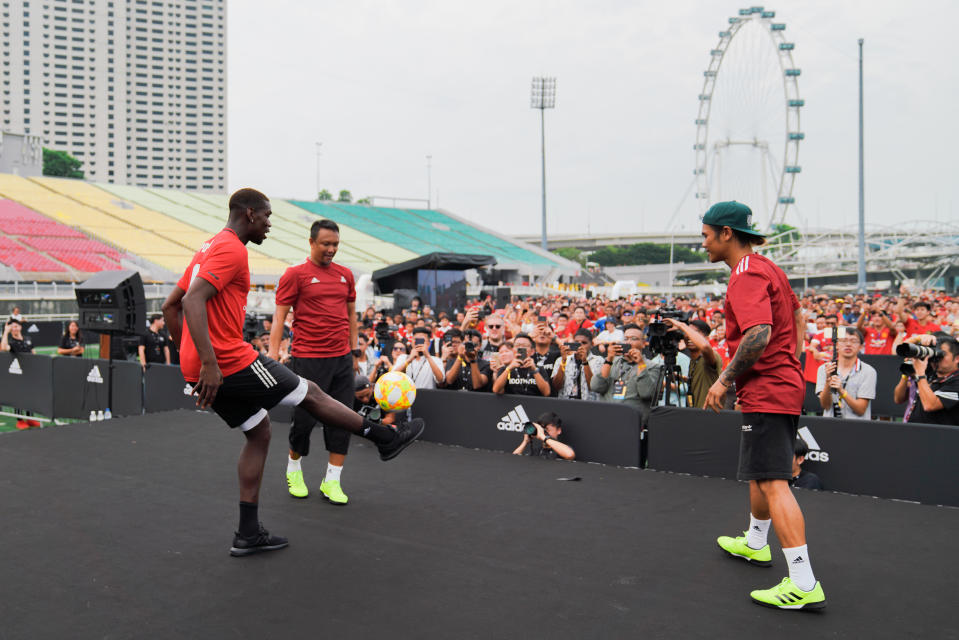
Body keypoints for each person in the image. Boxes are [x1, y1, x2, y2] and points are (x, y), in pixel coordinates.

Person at [161, 188, 423, 557]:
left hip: (208, 364)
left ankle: (248, 534)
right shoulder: (231, 248)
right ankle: (385, 437)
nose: (270, 224)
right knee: (310, 393)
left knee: (259, 431)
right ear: (250, 214)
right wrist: (208, 363)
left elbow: (169, 306)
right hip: (228, 361)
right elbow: (190, 301)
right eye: (267, 216)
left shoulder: (208, 246)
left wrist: (188, 356)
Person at [701, 201, 826, 610]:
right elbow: (799, 314)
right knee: (762, 472)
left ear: (725, 233)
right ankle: (756, 542)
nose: (702, 244)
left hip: (770, 388)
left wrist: (723, 379)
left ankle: (804, 583)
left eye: (705, 235)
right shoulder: (766, 265)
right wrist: (793, 361)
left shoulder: (745, 273)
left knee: (774, 481)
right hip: (776, 385)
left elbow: (758, 332)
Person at [270, 218, 361, 506]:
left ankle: (332, 481)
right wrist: (273, 355)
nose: (331, 249)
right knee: (305, 420)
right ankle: (294, 468)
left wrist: (354, 351)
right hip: (308, 359)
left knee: (343, 419)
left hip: (342, 359)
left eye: (335, 244)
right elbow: (279, 317)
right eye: (326, 244)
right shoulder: (294, 275)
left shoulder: (346, 275)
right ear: (311, 243)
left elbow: (351, 316)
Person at [589, 324, 662, 427]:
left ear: (643, 344)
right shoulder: (612, 362)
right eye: (626, 338)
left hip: (633, 424)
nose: (628, 342)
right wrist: (609, 359)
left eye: (634, 339)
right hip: (607, 420)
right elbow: (596, 387)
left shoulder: (653, 366)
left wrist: (641, 364)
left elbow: (646, 393)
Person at [815, 328, 876, 419]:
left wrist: (841, 391)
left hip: (857, 428)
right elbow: (826, 406)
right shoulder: (824, 369)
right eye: (843, 340)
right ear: (836, 345)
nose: (848, 344)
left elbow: (861, 410)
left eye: (854, 341)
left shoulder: (868, 371)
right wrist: (828, 383)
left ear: (861, 347)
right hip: (830, 426)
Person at [898, 335, 959, 425]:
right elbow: (904, 349)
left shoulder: (956, 381)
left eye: (942, 354)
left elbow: (930, 405)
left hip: (939, 436)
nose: (937, 358)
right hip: (915, 431)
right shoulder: (932, 372)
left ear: (957, 358)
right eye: (935, 353)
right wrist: (919, 338)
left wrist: (920, 374)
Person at [666, 318, 722, 409]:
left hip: (710, 415)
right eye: (687, 333)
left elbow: (704, 346)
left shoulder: (710, 356)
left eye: (695, 333)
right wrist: (683, 379)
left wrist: (682, 326)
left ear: (707, 338)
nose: (689, 336)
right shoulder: (693, 360)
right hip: (696, 413)